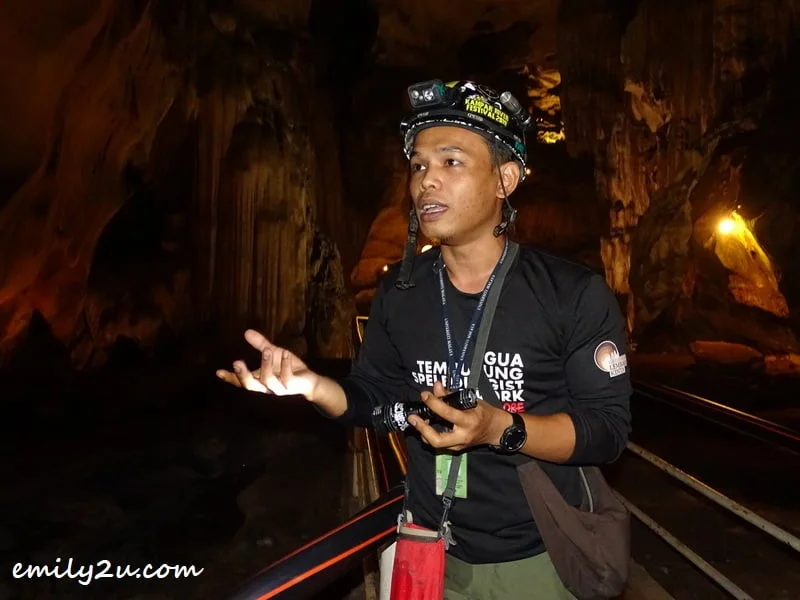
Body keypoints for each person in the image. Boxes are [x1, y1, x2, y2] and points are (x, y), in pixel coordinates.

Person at [217, 79, 632, 600]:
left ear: (504, 179)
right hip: (430, 548)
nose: (426, 181)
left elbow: (606, 430)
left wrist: (499, 428)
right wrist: (314, 386)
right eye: (418, 165)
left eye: (451, 162)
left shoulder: (571, 294)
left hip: (540, 558)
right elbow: (376, 398)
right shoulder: (401, 291)